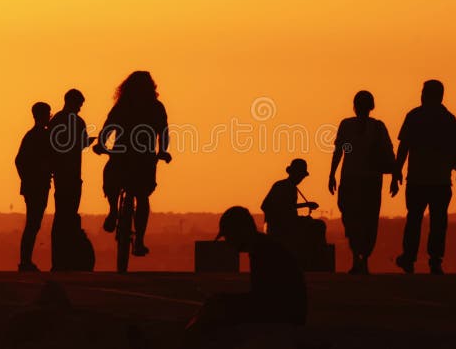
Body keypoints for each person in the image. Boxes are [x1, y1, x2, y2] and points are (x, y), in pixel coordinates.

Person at [185, 206, 306, 344]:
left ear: (239, 231)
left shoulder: (263, 253)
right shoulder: (265, 248)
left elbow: (262, 301)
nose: (228, 242)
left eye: (229, 236)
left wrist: (224, 301)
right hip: (287, 314)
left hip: (284, 318)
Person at [93, 71, 171, 257]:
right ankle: (140, 240)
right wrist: (162, 151)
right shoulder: (156, 106)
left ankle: (113, 210)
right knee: (143, 198)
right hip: (145, 157)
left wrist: (102, 145)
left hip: (122, 154)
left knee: (111, 178)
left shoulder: (123, 105)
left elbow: (109, 126)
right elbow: (164, 132)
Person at [391, 80, 456, 274]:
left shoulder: (414, 116)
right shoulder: (448, 119)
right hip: (440, 180)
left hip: (418, 179)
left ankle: (409, 257)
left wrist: (397, 171)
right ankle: (435, 259)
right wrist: (450, 167)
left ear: (426, 95)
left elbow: (403, 147)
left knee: (414, 219)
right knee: (438, 222)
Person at [328, 91, 394, 274]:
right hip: (369, 181)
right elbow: (389, 153)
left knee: (353, 219)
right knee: (367, 220)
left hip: (353, 180)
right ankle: (362, 257)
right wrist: (395, 177)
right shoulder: (376, 127)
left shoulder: (348, 125)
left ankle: (359, 257)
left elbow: (339, 150)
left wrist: (332, 173)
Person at [48, 90, 94, 270]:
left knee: (61, 217)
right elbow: (80, 144)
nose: (80, 109)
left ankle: (58, 261)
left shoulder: (56, 120)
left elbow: (52, 147)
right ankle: (65, 259)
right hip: (72, 175)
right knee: (68, 216)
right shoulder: (77, 121)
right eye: (79, 105)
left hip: (61, 175)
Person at [16, 102, 53, 272]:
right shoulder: (41, 135)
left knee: (33, 223)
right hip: (37, 186)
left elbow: (19, 161)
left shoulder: (31, 135)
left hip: (33, 185)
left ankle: (25, 260)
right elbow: (20, 161)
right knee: (33, 223)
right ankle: (25, 261)